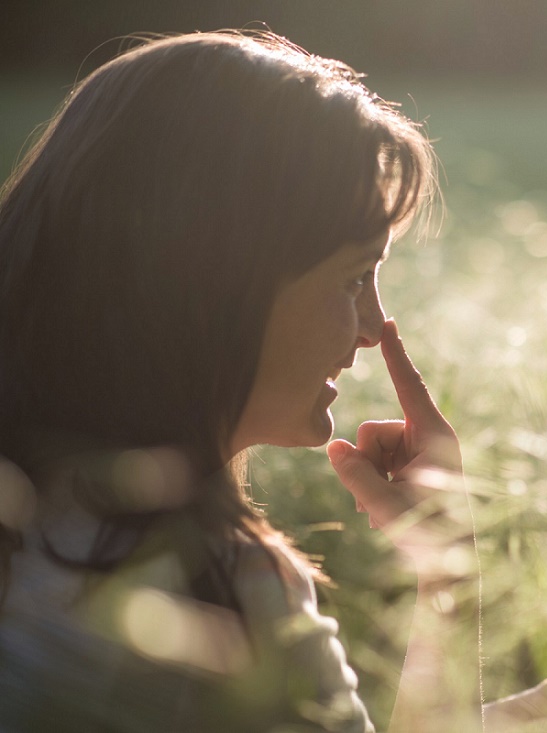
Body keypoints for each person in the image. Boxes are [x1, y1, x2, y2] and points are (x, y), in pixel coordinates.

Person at [0, 31, 482, 732]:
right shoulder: (222, 594)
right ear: (214, 287)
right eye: (352, 278)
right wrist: (451, 571)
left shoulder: (34, 531)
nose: (376, 327)